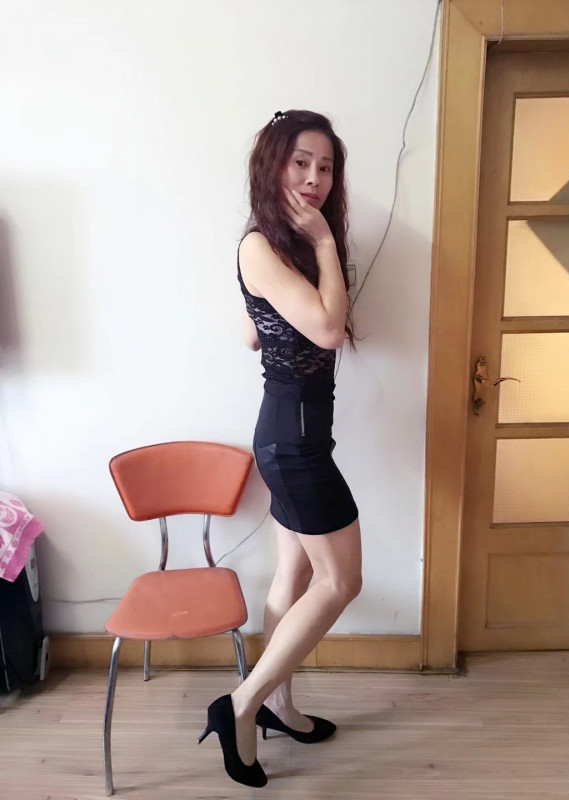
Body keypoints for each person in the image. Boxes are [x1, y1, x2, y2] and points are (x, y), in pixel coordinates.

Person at [198, 109, 362, 788]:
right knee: (341, 582)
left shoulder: (273, 245)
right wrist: (324, 245)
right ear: (273, 164)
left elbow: (250, 335)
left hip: (290, 433)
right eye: (301, 162)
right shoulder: (267, 245)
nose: (315, 178)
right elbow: (327, 330)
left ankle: (279, 707)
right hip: (294, 446)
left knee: (292, 577)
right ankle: (241, 704)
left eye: (325, 166)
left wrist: (307, 254)